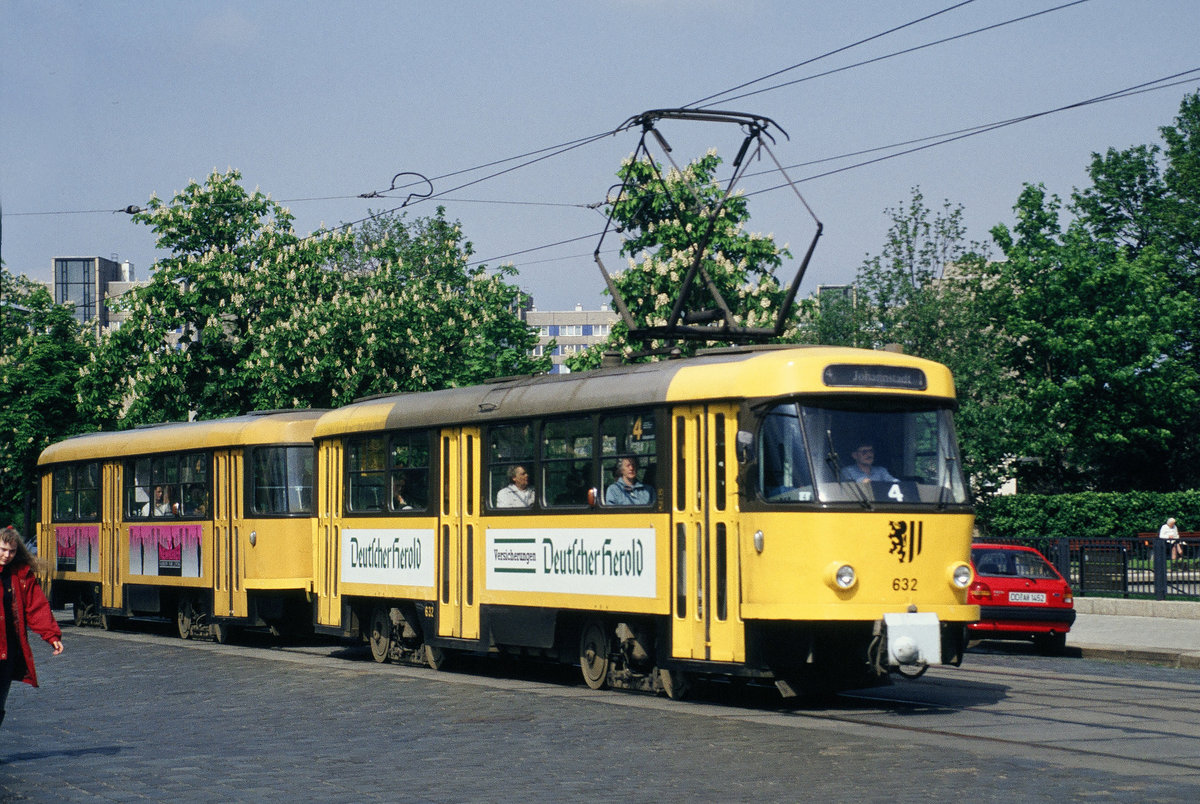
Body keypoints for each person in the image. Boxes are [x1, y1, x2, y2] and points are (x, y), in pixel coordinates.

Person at [0, 526, 64, 729]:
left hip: (8, 650)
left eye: (11, 551)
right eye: (2, 549)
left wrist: (51, 636)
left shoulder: (21, 575)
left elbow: (36, 607)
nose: (6, 555)